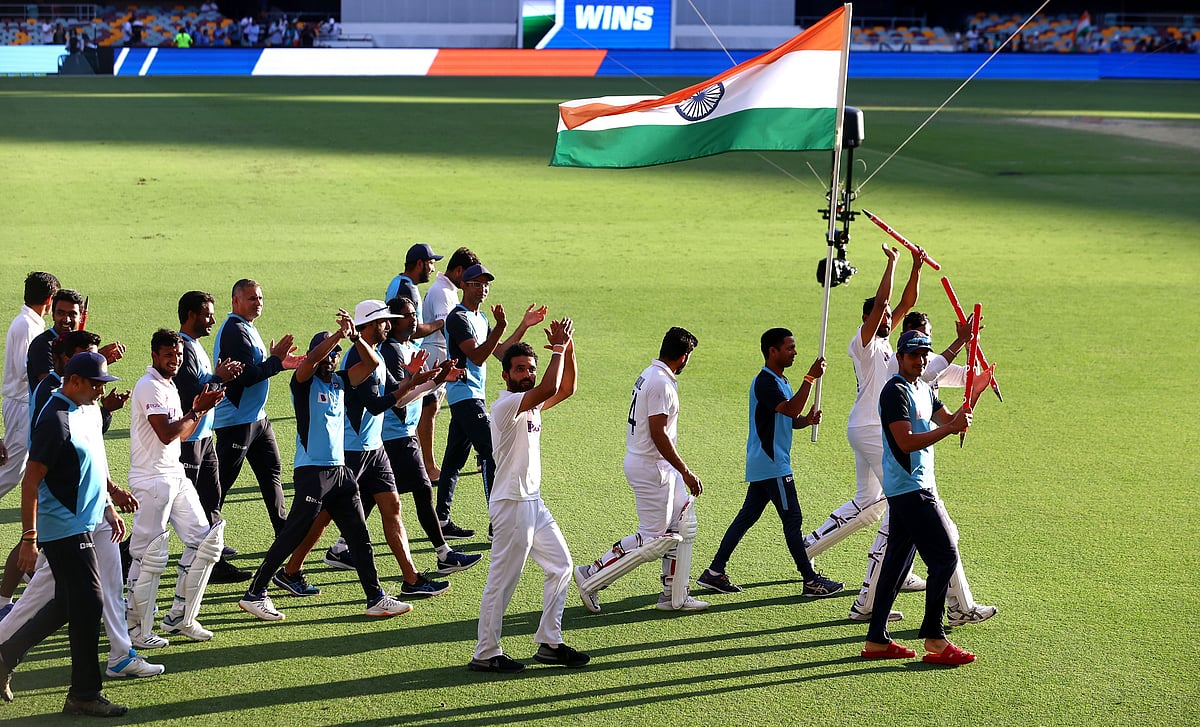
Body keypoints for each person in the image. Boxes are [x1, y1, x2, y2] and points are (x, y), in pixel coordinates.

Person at [237, 313, 430, 621]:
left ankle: (376, 597)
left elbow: (373, 365)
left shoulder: (341, 382)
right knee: (292, 534)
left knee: (359, 535)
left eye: (335, 356)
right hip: (313, 471)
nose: (330, 359)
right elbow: (311, 359)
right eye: (326, 355)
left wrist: (355, 339)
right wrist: (337, 338)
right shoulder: (302, 382)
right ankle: (255, 592)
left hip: (340, 473)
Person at [0, 336, 161, 684]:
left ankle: (5, 655)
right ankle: (84, 693)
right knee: (86, 602)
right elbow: (31, 482)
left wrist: (108, 504)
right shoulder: (55, 419)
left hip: (88, 521)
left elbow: (91, 468)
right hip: (65, 527)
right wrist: (29, 538)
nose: (101, 392)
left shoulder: (84, 410)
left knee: (67, 603)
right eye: (96, 384)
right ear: (73, 381)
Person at [803, 244, 927, 623]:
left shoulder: (890, 342)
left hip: (866, 427)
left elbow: (904, 302)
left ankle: (805, 548)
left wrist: (916, 267)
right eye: (882, 314)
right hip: (874, 430)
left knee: (867, 501)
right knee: (898, 504)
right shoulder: (863, 342)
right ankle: (878, 590)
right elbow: (885, 304)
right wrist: (890, 263)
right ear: (868, 317)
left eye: (890, 317)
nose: (889, 317)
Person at [470, 322, 589, 673]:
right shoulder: (507, 404)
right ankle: (485, 652)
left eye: (531, 370)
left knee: (561, 565)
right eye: (520, 369)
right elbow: (551, 384)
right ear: (505, 374)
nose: (527, 374)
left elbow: (566, 387)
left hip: (532, 502)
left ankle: (550, 643)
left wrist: (567, 347)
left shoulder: (531, 405)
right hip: (511, 504)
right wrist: (556, 351)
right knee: (502, 582)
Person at [313, 301, 449, 598]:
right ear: (370, 325)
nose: (389, 326)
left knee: (393, 508)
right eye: (383, 322)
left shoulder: (376, 356)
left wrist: (423, 380)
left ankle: (411, 580)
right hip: (353, 450)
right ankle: (290, 569)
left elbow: (395, 396)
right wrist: (413, 382)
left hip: (374, 449)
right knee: (324, 515)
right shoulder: (356, 360)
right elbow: (376, 405)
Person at [696, 328, 843, 598]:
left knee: (746, 518)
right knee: (792, 519)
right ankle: (810, 581)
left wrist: (806, 421)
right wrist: (810, 379)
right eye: (789, 348)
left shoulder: (781, 380)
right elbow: (789, 408)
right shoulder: (765, 382)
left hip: (766, 463)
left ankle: (714, 572)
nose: (795, 352)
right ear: (772, 351)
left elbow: (789, 418)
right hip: (773, 464)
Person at [860, 330, 977, 666]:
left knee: (896, 564)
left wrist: (976, 392)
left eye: (924, 353)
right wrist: (950, 429)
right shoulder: (894, 391)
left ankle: (877, 640)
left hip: (911, 488)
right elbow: (906, 442)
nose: (921, 359)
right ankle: (935, 638)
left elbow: (952, 421)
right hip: (911, 488)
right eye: (914, 354)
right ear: (900, 356)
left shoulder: (924, 388)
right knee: (945, 556)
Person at [574, 327, 708, 613]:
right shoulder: (660, 383)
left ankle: (674, 595)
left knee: (682, 523)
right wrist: (684, 470)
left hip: (656, 466)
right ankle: (592, 576)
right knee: (654, 539)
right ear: (683, 357)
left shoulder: (652, 375)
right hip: (652, 468)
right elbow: (659, 434)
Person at [125, 330, 228, 649]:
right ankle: (136, 629)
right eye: (169, 355)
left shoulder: (168, 385)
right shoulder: (149, 386)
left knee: (206, 542)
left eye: (179, 355)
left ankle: (181, 618)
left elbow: (182, 435)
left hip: (174, 473)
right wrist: (197, 410)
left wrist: (200, 409)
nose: (176, 359)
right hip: (151, 479)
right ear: (155, 355)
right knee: (148, 554)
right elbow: (166, 433)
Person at [435, 264, 546, 539]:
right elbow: (476, 356)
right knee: (491, 452)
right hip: (465, 395)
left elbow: (499, 353)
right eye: (477, 283)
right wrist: (500, 327)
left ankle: (441, 520)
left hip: (472, 395)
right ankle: (497, 522)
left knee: (453, 460)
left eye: (486, 283)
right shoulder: (457, 319)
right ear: (464, 285)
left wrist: (522, 325)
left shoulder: (480, 318)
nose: (483, 288)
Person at [379, 296, 480, 576]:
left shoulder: (409, 347)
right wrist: (432, 381)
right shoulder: (391, 352)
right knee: (423, 490)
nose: (414, 319)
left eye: (415, 314)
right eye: (408, 315)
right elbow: (398, 399)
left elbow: (411, 392)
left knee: (369, 495)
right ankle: (443, 553)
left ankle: (340, 548)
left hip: (400, 432)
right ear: (392, 320)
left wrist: (437, 380)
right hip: (395, 433)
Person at [212, 279, 303, 540]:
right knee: (219, 485)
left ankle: (284, 534)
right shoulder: (234, 331)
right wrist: (275, 363)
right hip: (235, 422)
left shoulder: (247, 328)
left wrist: (279, 363)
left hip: (256, 419)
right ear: (235, 301)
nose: (258, 302)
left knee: (271, 472)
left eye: (260, 298)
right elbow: (246, 377)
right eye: (252, 298)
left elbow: (256, 367)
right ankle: (204, 538)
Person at [176, 291, 248, 583]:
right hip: (190, 440)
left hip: (203, 438)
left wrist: (220, 378)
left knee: (211, 499)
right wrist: (219, 378)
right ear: (191, 315)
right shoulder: (186, 349)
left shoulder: (196, 347)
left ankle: (213, 561)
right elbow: (192, 392)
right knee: (173, 508)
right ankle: (126, 554)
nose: (212, 320)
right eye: (207, 314)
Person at [419, 246, 478, 482]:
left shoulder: (446, 288)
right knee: (429, 409)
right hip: (438, 353)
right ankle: (429, 467)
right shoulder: (443, 292)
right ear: (459, 270)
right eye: (470, 276)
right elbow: (447, 326)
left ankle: (427, 464)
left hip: (438, 351)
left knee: (430, 409)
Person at [1, 272, 59, 505]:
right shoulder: (26, 325)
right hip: (21, 403)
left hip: (25, 402)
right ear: (50, 299)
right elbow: (24, 368)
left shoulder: (29, 322)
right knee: (12, 471)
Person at [27, 288, 124, 393]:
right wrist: (91, 361)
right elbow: (50, 388)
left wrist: (94, 361)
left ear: (81, 317)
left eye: (72, 314)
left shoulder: (79, 342)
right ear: (53, 315)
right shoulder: (42, 344)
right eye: (61, 313)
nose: (66, 319)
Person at [385, 243, 445, 345]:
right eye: (431, 263)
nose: (433, 269)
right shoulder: (407, 289)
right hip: (403, 350)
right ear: (419, 264)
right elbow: (410, 330)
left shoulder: (399, 282)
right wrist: (441, 322)